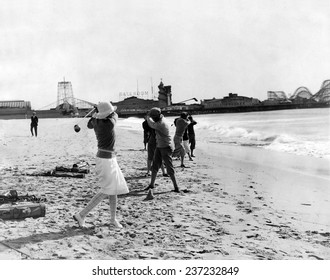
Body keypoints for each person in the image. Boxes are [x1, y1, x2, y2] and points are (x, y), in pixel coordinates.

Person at [73, 102, 129, 228]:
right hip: (106, 160)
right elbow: (115, 114)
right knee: (107, 190)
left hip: (107, 158)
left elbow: (88, 124)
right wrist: (99, 110)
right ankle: (81, 214)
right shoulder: (109, 123)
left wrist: (95, 113)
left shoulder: (95, 121)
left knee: (112, 189)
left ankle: (113, 219)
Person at [145, 107, 180, 198]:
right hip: (160, 146)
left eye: (153, 117)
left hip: (166, 147)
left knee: (169, 167)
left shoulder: (161, 123)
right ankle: (151, 184)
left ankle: (176, 187)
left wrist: (148, 116)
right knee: (155, 166)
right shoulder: (160, 119)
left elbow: (152, 125)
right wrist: (149, 116)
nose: (153, 118)